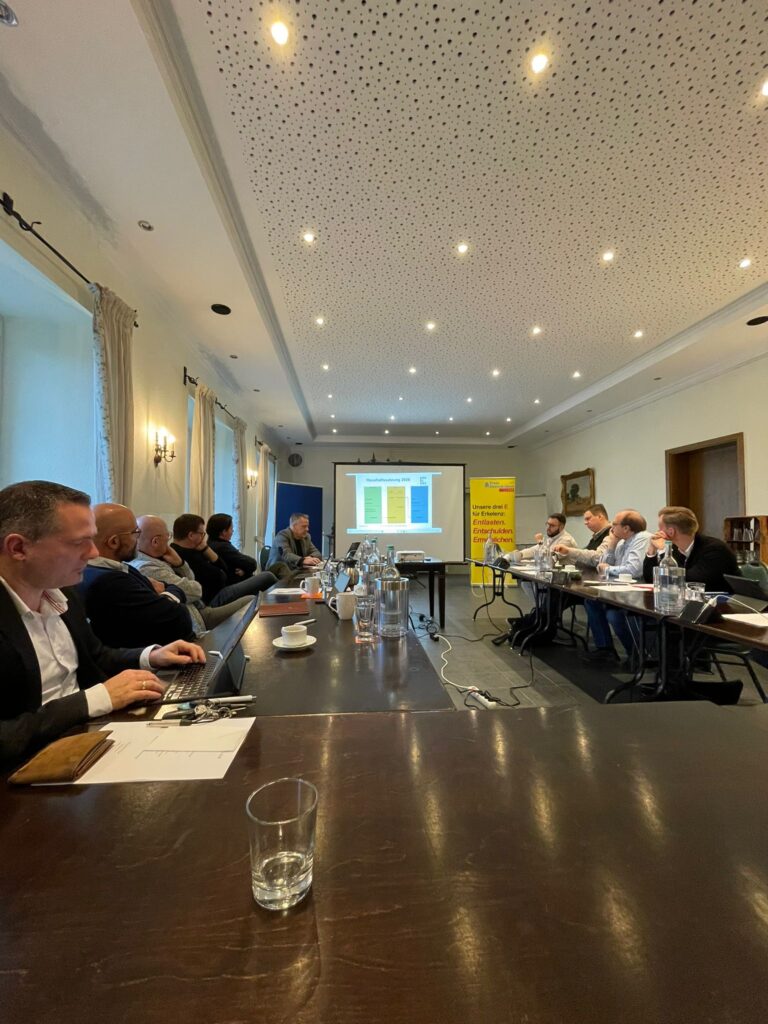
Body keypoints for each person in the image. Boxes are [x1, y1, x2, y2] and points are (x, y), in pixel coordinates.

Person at [0, 481, 205, 767]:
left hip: (90, 741)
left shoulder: (62, 591)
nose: (94, 553)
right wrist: (92, 700)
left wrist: (151, 656)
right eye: (78, 542)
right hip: (29, 769)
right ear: (18, 547)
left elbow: (96, 656)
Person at [77, 503, 196, 647]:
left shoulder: (118, 568)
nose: (138, 539)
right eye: (135, 533)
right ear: (114, 542)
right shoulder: (110, 582)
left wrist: (165, 593)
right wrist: (171, 591)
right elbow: (178, 619)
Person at [131, 515, 253, 633]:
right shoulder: (147, 568)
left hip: (199, 611)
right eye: (167, 536)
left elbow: (196, 581)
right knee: (252, 600)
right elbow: (196, 591)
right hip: (197, 621)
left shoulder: (161, 558)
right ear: (155, 541)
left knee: (252, 599)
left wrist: (180, 564)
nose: (169, 540)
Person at [581, 510, 651, 663]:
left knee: (613, 615)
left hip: (640, 593)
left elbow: (634, 570)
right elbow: (602, 564)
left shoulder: (642, 538)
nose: (611, 528)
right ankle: (605, 648)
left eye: (614, 524)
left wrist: (608, 569)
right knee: (591, 601)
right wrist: (612, 545)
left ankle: (638, 654)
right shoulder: (621, 542)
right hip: (621, 589)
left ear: (626, 528)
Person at [171, 514, 277, 606]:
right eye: (202, 534)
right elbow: (221, 575)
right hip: (214, 598)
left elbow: (223, 568)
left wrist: (206, 548)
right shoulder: (183, 555)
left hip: (220, 590)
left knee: (274, 571)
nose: (203, 538)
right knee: (268, 576)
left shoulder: (197, 548)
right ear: (191, 535)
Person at [642, 506, 738, 592]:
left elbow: (690, 581)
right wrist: (652, 549)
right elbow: (651, 579)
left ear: (671, 532)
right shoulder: (675, 548)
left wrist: (666, 550)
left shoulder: (715, 549)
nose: (658, 532)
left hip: (724, 603)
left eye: (660, 529)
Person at [206, 513, 290, 583]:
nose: (233, 531)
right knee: (277, 569)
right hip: (239, 584)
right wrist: (245, 571)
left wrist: (244, 571)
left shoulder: (211, 545)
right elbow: (252, 563)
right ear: (224, 532)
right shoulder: (223, 547)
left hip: (243, 579)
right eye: (231, 528)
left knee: (278, 567)